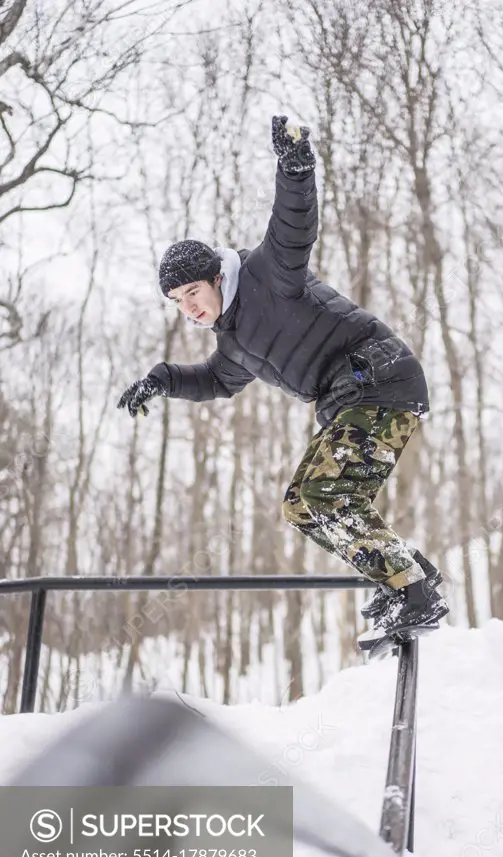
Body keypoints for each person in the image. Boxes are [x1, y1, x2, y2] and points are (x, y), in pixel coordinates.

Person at [117, 115, 448, 656]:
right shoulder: (232, 341)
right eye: (178, 302)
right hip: (352, 402)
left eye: (194, 292)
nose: (190, 308)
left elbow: (294, 223)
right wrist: (160, 381)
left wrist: (295, 164)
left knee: (327, 493)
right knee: (301, 506)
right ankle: (408, 573)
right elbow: (218, 382)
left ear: (218, 277)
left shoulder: (270, 274)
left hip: (380, 380)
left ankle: (411, 591)